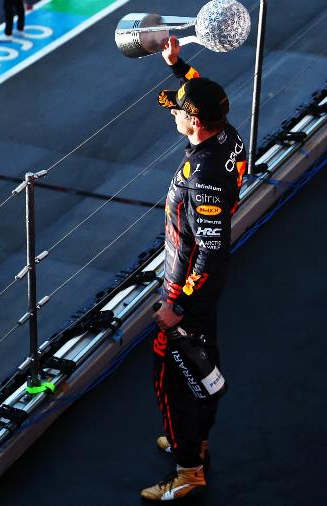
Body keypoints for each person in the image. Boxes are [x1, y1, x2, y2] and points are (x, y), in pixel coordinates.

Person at [143, 36, 247, 501]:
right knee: (203, 366)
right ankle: (196, 444)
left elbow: (211, 249)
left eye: (178, 109)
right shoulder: (226, 134)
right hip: (200, 292)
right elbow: (203, 92)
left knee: (174, 380)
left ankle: (189, 471)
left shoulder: (204, 176)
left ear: (196, 121)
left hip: (188, 289)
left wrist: (178, 304)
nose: (173, 113)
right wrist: (178, 66)